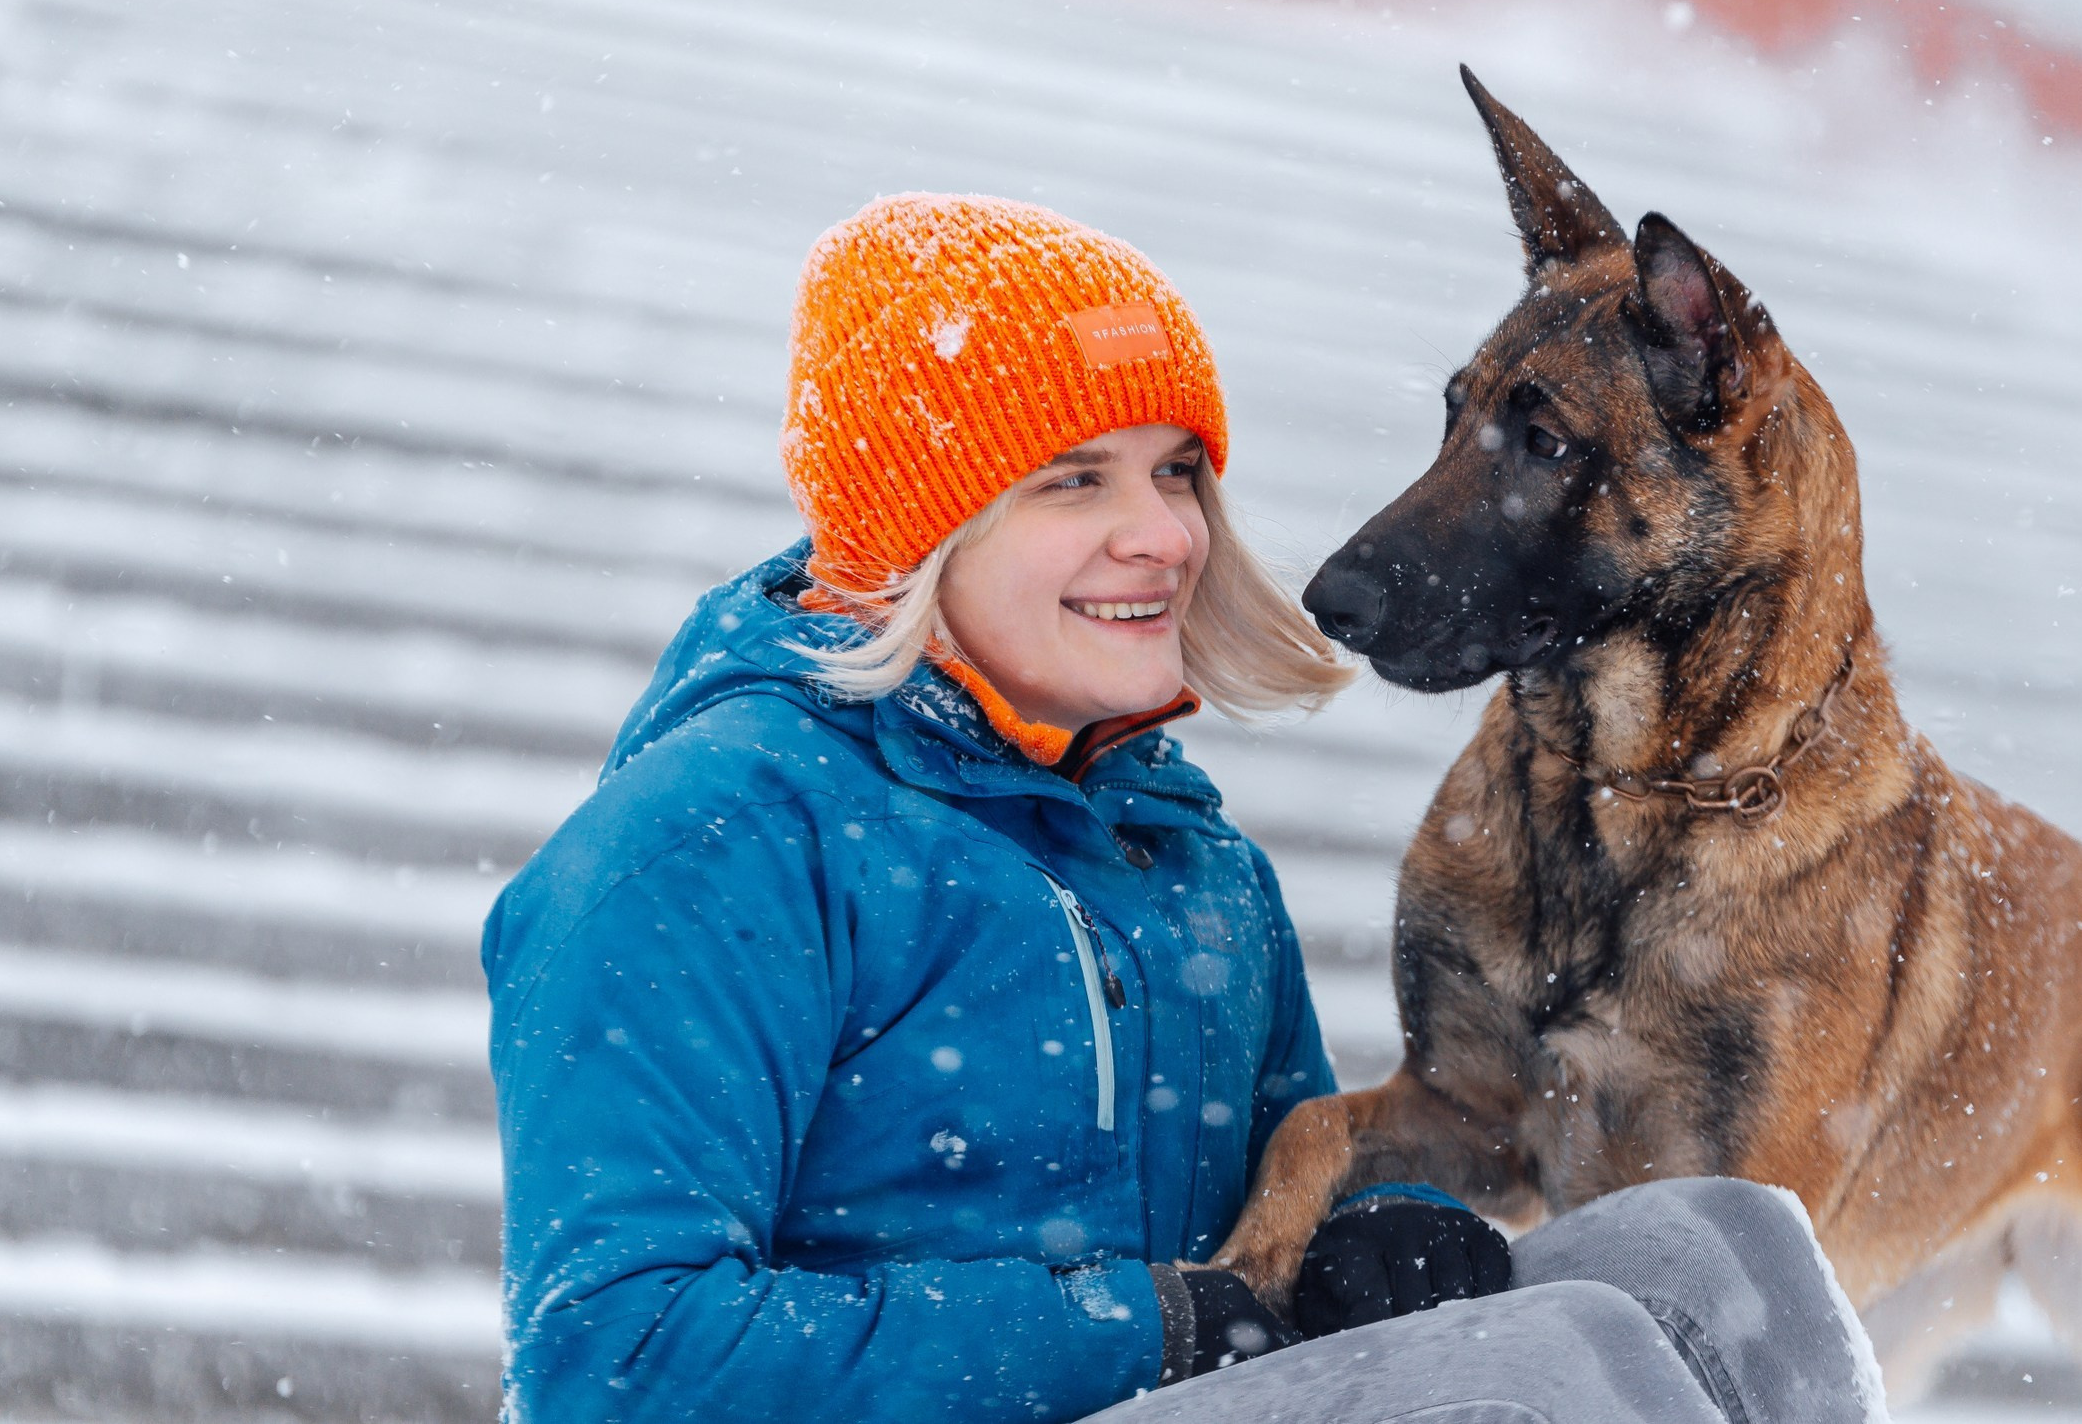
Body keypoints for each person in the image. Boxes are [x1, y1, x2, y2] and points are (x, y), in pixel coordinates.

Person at [483, 194, 1889, 1424]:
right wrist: (1143, 1328)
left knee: (1719, 1259)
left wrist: (1384, 1230)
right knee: (1557, 1369)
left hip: (1177, 1390)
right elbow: (610, 1361)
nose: (1164, 534)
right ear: (921, 527)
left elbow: (1279, 1209)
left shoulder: (1181, 853)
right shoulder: (714, 841)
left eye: (1175, 472)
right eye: (1073, 481)